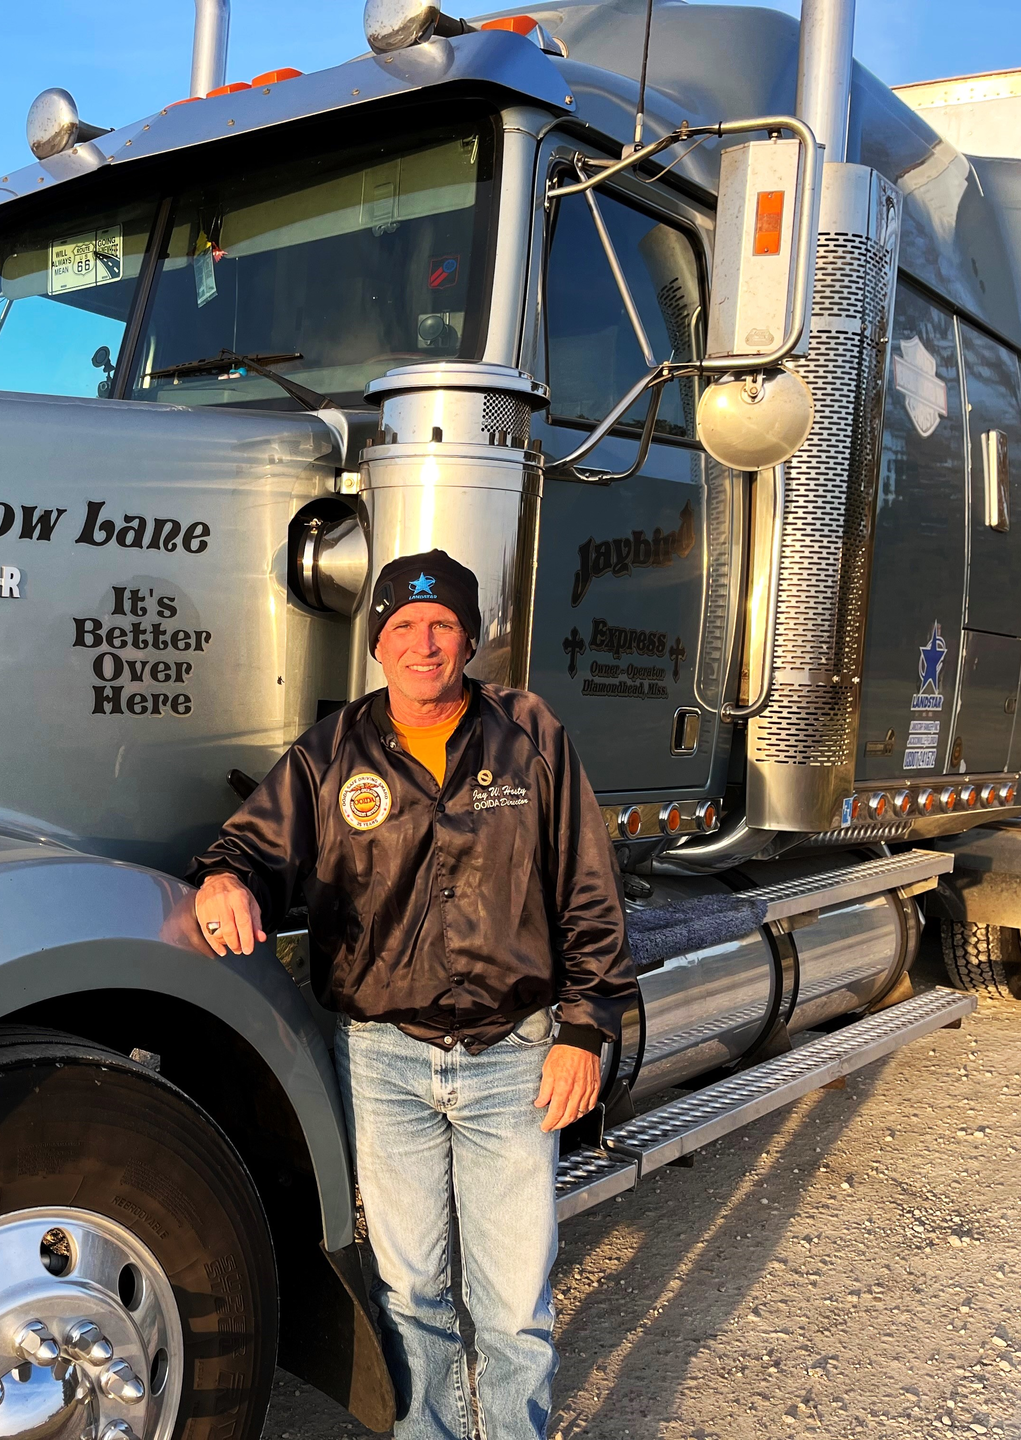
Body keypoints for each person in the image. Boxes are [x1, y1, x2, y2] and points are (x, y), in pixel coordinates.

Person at [187, 549, 634, 1440]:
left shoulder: (529, 733)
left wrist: (585, 1030)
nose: (423, 644)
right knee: (409, 1291)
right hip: (383, 1060)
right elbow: (252, 846)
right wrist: (224, 878)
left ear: (469, 639)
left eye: (442, 625)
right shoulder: (331, 752)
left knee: (513, 1304)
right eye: (402, 627)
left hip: (514, 1053)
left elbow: (589, 887)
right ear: (377, 645)